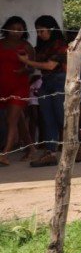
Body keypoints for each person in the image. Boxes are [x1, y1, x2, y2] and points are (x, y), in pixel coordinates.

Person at [18, 16, 81, 167]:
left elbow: (50, 66)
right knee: (47, 119)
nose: (39, 34)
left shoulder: (60, 45)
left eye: (41, 31)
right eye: (37, 31)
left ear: (51, 29)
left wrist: (27, 62)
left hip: (59, 81)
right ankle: (50, 153)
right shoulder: (42, 46)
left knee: (60, 117)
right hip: (46, 82)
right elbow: (38, 66)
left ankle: (76, 144)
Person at [0, 16, 34, 165]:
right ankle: (31, 148)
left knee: (10, 121)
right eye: (13, 28)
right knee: (17, 118)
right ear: (6, 28)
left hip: (19, 86)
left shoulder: (26, 46)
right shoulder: (0, 44)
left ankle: (5, 154)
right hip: (2, 87)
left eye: (20, 29)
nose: (16, 32)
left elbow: (32, 67)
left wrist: (25, 69)